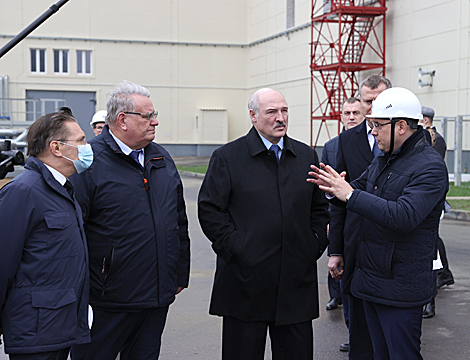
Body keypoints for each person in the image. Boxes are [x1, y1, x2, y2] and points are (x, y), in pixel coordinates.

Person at [309, 87, 448, 359]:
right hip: (371, 281)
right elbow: (357, 188)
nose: (371, 131)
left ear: (401, 127)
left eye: (377, 125)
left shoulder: (429, 166)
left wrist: (348, 193)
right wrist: (331, 188)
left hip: (400, 287)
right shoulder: (385, 158)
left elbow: (404, 215)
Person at [198, 88, 330, 360]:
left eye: (284, 111)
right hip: (245, 284)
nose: (280, 118)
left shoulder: (306, 157)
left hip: (295, 284)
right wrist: (238, 248)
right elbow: (210, 211)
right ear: (253, 116)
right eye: (272, 112)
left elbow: (319, 209)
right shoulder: (228, 158)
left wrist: (313, 244)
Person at [70, 80, 190, 360]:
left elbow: (179, 220)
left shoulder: (161, 158)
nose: (155, 122)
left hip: (156, 296)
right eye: (148, 116)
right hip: (107, 300)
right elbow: (72, 231)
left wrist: (179, 272)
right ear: (122, 120)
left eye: (154, 115)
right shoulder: (89, 162)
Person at [0, 108, 92, 360]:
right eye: (81, 140)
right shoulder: (23, 192)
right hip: (36, 332)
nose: (87, 146)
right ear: (56, 147)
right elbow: (2, 263)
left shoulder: (62, 189)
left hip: (58, 326)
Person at [327, 74, 391, 358]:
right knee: (358, 322)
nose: (373, 106)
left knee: (390, 327)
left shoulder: (408, 138)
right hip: (356, 240)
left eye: (379, 100)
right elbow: (339, 200)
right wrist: (336, 249)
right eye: (368, 101)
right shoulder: (347, 139)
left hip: (393, 239)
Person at [322, 97, 364, 352]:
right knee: (343, 276)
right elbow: (328, 187)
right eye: (346, 112)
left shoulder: (377, 144)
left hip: (365, 217)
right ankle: (353, 332)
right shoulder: (331, 146)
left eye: (355, 112)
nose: (351, 117)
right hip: (342, 219)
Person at [420, 106, 454, 318]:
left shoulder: (435, 139)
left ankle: (439, 281)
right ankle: (445, 274)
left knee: (431, 245)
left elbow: (435, 166)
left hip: (430, 198)